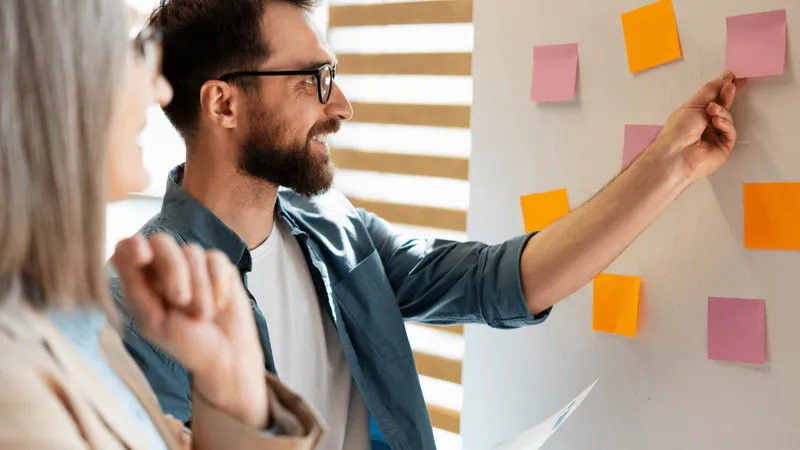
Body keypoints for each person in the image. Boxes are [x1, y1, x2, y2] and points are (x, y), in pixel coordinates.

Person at [109, 0, 746, 449]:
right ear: (223, 103)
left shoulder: (338, 229)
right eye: (315, 79)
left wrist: (673, 163)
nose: (343, 106)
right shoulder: (143, 300)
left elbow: (502, 281)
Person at [0, 1, 324, 448]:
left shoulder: (74, 325)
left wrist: (230, 391)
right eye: (136, 47)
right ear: (51, 75)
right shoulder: (15, 391)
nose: (161, 91)